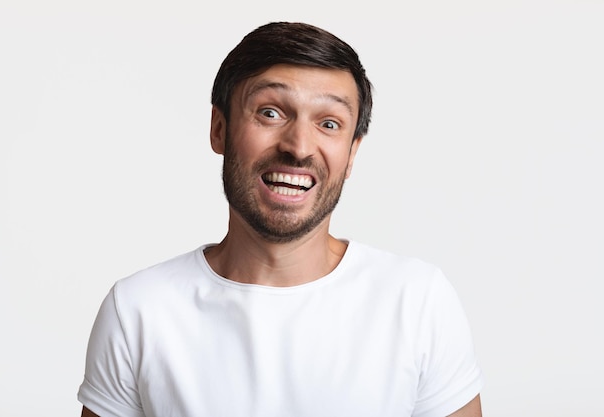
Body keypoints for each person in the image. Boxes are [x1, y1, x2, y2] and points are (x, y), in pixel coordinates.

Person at [78, 21, 483, 417]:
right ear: (219, 129)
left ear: (352, 153)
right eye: (270, 113)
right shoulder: (138, 310)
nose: (299, 147)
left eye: (328, 123)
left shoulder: (417, 301)